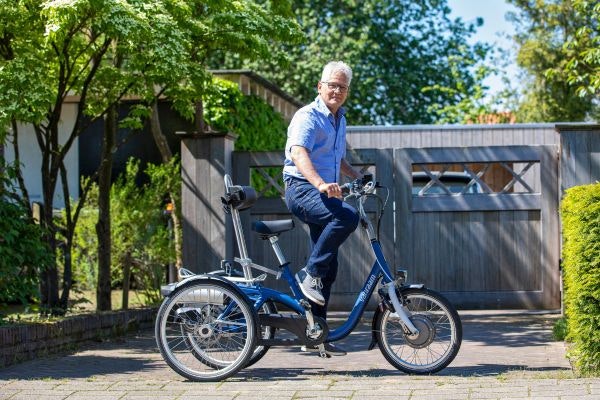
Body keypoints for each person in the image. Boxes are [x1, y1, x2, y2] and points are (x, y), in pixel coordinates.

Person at [283, 61, 363, 356]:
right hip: (302, 189)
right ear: (320, 86)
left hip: (323, 192)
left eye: (342, 87)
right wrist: (319, 183)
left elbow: (336, 157)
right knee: (346, 217)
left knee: (330, 267)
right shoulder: (308, 116)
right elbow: (299, 152)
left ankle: (314, 336)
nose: (337, 90)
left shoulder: (339, 119)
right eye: (332, 85)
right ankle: (310, 273)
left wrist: (357, 176)